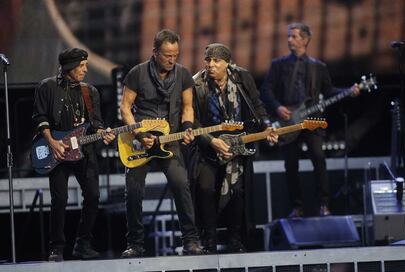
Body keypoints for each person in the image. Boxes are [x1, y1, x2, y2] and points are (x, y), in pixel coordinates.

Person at [260, 22, 360, 217]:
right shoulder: (278, 65)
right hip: (288, 122)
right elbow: (266, 90)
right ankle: (297, 206)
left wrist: (348, 92)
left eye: (294, 36)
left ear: (305, 40)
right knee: (290, 164)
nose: (289, 39)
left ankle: (324, 204)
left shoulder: (318, 67)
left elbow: (329, 91)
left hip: (312, 120)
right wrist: (278, 107)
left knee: (319, 158)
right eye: (288, 36)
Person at [119, 29, 203, 257]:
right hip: (139, 140)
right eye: (167, 55)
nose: (172, 59)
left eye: (175, 54)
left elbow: (187, 107)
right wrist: (138, 135)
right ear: (155, 52)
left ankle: (191, 240)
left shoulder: (183, 74)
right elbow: (125, 109)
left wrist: (187, 129)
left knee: (181, 184)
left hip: (169, 139)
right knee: (134, 191)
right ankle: (135, 244)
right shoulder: (137, 73)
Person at [191, 43, 278, 253]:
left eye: (216, 60)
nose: (210, 65)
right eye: (208, 60)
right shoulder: (196, 83)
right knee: (205, 188)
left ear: (227, 63)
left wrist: (267, 126)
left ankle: (235, 238)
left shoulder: (242, 78)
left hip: (238, 144)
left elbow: (256, 105)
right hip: (209, 145)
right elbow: (192, 121)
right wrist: (211, 141)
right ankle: (209, 238)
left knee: (238, 192)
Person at [32, 48, 115, 261]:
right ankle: (57, 248)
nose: (86, 70)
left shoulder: (90, 92)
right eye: (81, 66)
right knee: (59, 199)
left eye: (86, 65)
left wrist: (102, 133)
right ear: (69, 67)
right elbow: (40, 117)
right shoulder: (47, 86)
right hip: (57, 151)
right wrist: (52, 143)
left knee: (94, 195)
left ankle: (83, 243)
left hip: (84, 151)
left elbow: (96, 123)